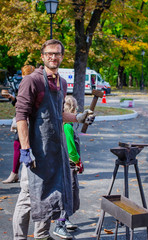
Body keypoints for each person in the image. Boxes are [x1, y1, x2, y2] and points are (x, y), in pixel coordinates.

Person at [13, 39, 95, 240]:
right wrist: (25, 150)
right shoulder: (32, 81)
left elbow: (57, 114)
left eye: (57, 53)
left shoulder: (62, 82)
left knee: (48, 193)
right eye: (49, 53)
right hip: (34, 151)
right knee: (28, 196)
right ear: (42, 56)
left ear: (61, 56)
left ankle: (41, 235)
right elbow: (21, 116)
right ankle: (19, 237)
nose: (53, 57)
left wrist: (78, 117)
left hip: (55, 149)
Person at [53, 96, 84, 239]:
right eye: (75, 108)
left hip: (62, 163)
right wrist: (78, 162)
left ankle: (66, 219)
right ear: (73, 109)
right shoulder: (67, 126)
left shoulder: (61, 122)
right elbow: (71, 149)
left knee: (68, 192)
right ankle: (60, 224)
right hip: (69, 164)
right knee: (69, 193)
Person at [2, 65, 35, 184]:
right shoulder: (28, 83)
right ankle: (15, 174)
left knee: (21, 146)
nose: (23, 77)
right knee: (18, 146)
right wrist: (12, 98)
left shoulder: (29, 83)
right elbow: (21, 103)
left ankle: (17, 174)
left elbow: (25, 105)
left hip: (27, 121)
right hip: (24, 120)